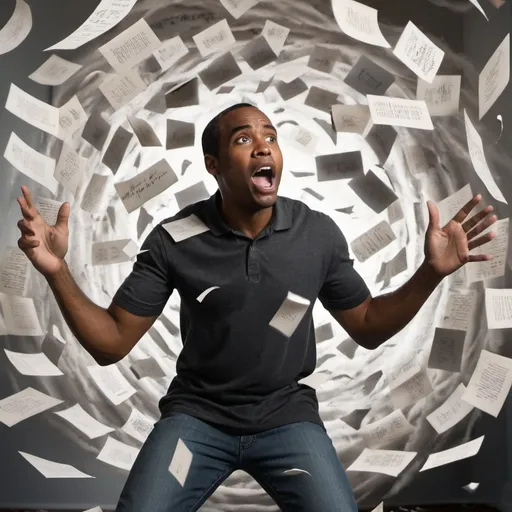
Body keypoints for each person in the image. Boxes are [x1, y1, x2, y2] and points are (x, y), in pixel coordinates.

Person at [16, 103, 497, 512]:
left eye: (270, 136)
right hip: (196, 420)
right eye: (244, 139)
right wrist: (57, 272)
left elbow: (368, 326)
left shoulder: (318, 234)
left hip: (286, 420)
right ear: (214, 164)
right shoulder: (174, 239)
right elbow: (111, 342)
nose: (264, 146)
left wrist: (431, 271)